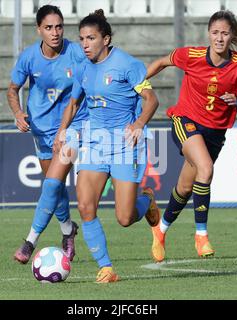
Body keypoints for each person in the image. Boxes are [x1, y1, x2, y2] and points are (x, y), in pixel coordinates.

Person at [54, 9, 160, 283]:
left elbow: (151, 100)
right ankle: (106, 268)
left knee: (125, 218)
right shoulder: (83, 67)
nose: (85, 44)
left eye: (91, 38)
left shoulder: (127, 64)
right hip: (95, 142)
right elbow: (74, 102)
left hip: (125, 144)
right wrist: (62, 131)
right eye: (81, 39)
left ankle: (146, 200)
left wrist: (138, 125)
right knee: (86, 206)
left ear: (106, 39)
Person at [146, 10, 237, 262]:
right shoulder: (192, 55)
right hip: (185, 120)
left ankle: (160, 230)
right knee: (205, 169)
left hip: (215, 134)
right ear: (208, 33)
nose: (219, 38)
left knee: (186, 187)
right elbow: (162, 62)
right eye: (215, 32)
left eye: (225, 33)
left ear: (232, 35)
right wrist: (139, 84)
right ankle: (201, 235)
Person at [6, 5, 89, 264]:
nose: (55, 32)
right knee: (56, 187)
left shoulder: (76, 52)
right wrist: (18, 113)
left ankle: (30, 241)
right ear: (39, 30)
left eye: (59, 26)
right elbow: (12, 89)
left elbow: (99, 62)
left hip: (73, 126)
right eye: (49, 27)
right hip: (41, 129)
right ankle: (68, 231)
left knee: (52, 183)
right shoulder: (29, 57)